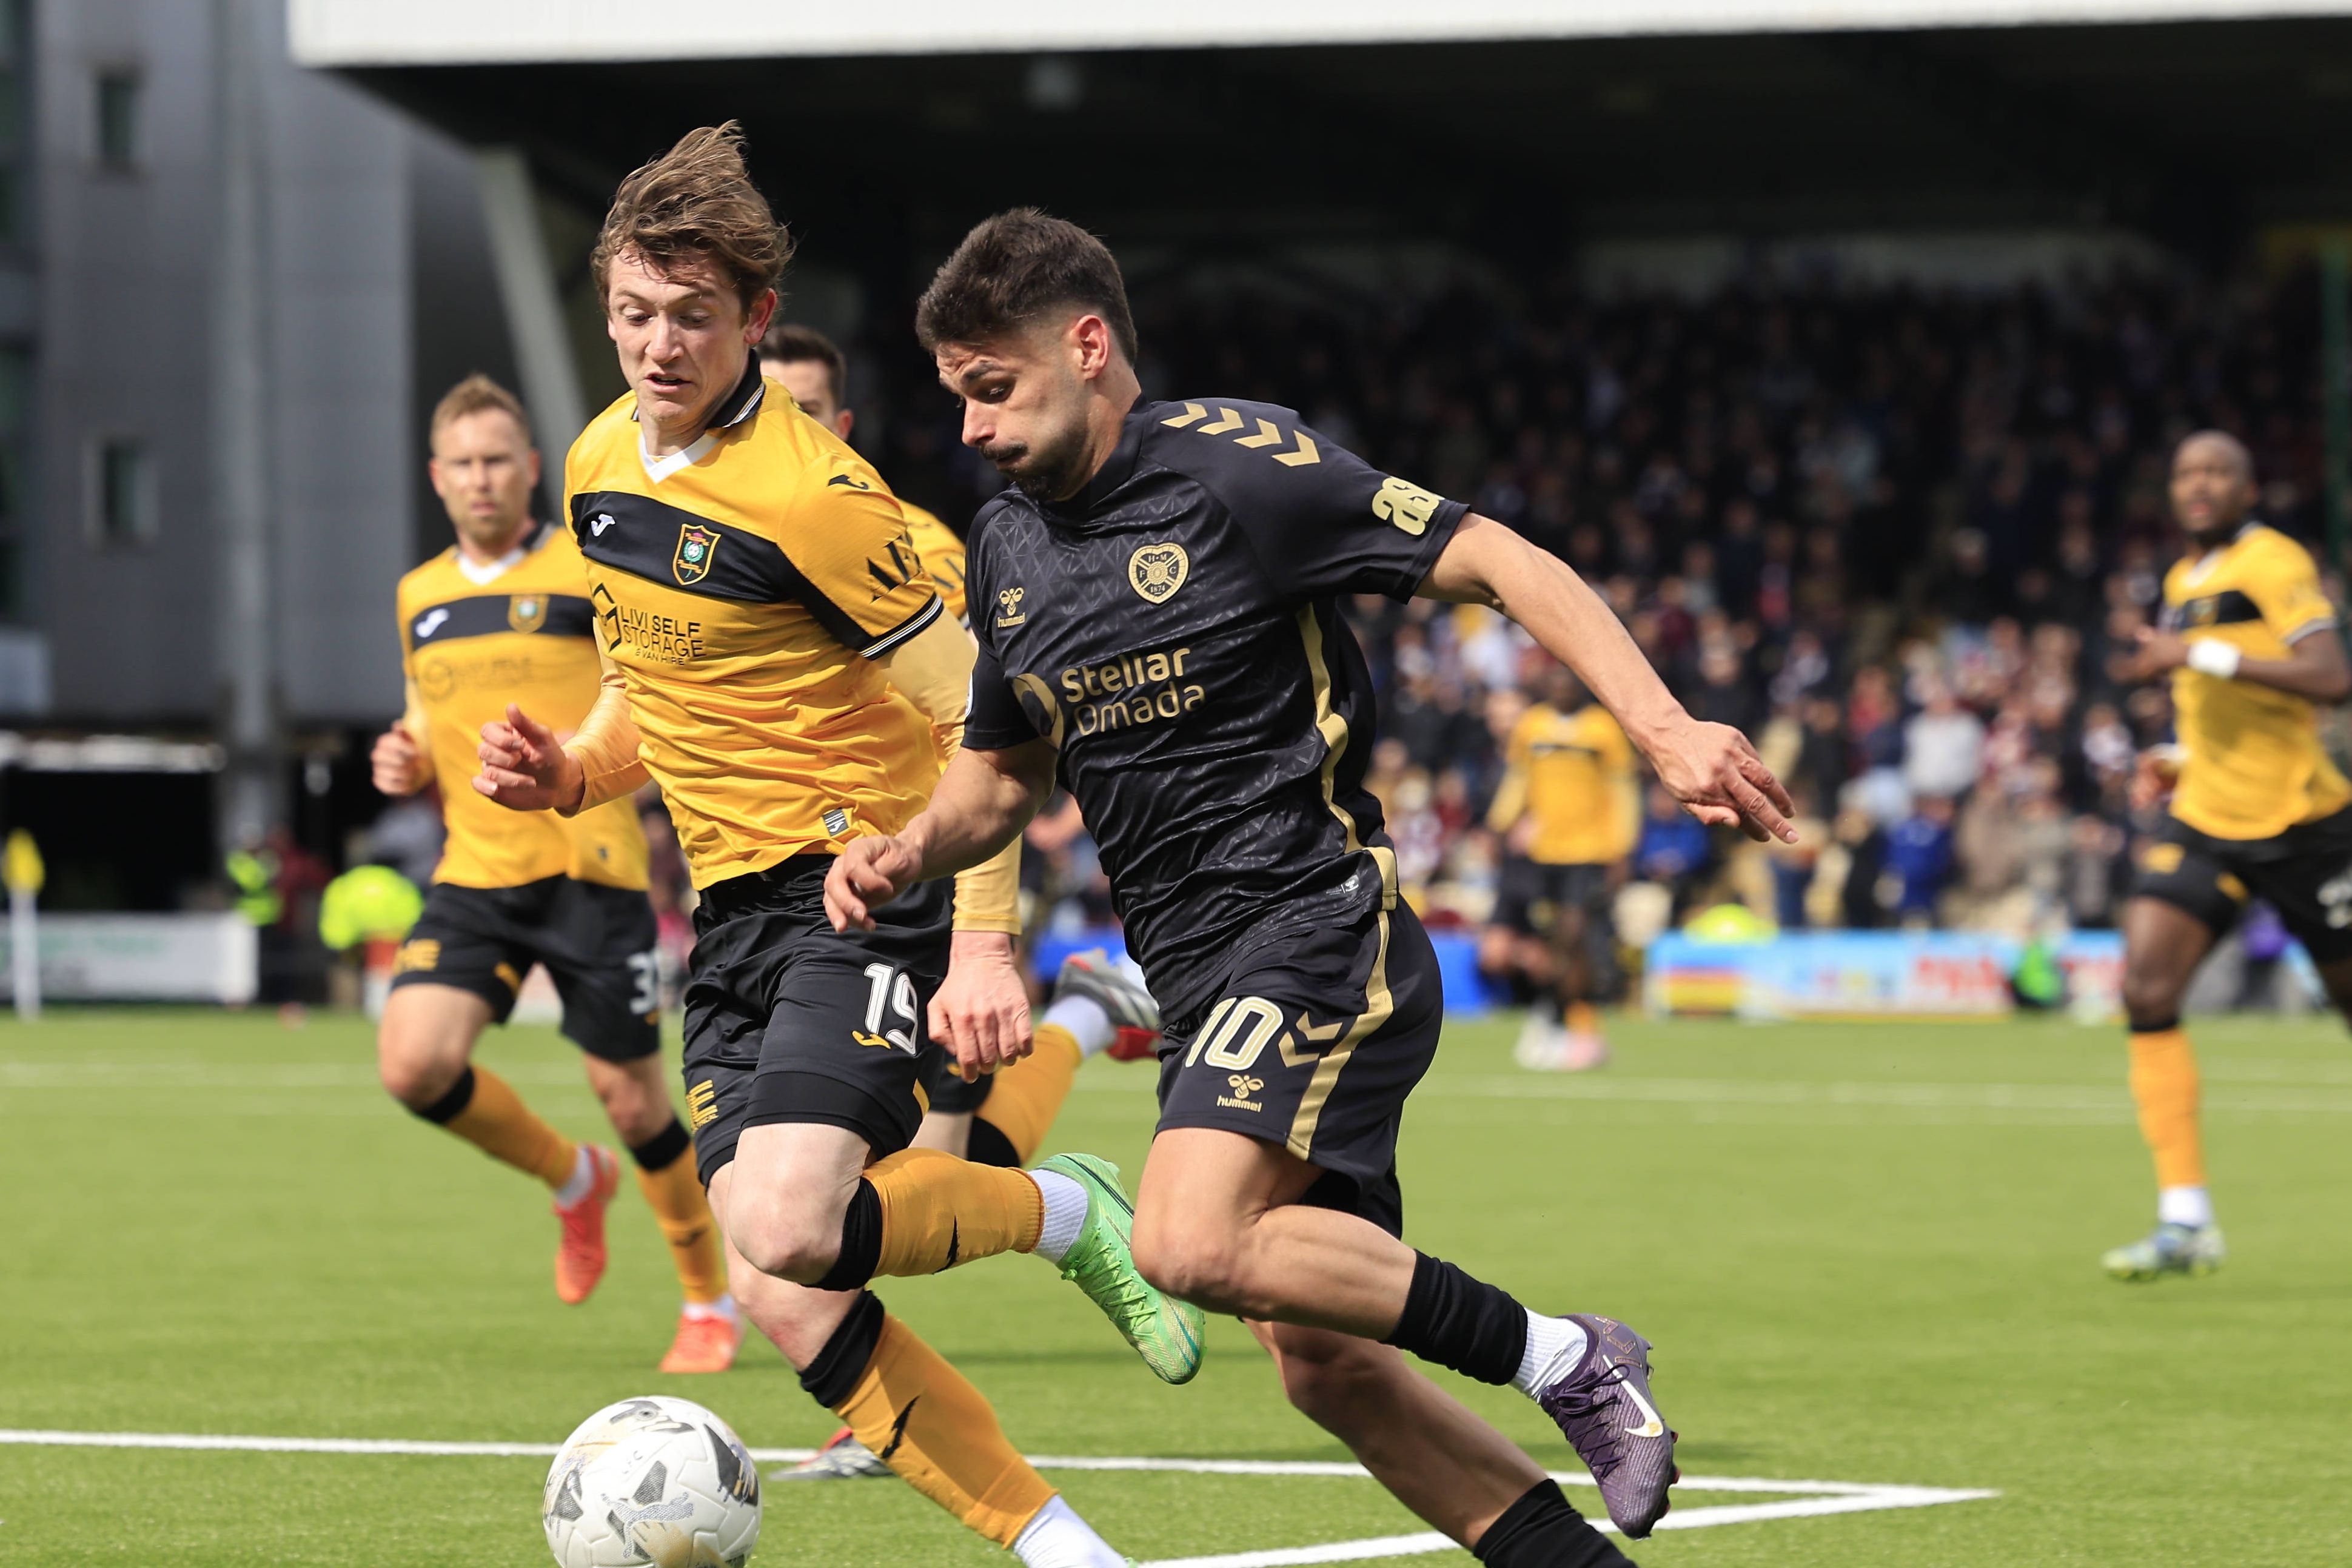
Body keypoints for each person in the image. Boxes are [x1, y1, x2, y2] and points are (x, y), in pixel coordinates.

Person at [829, 209, 1798, 1563]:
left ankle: (1570, 1355)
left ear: (1089, 345)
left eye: (994, 389)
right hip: (1200, 971)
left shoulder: (1239, 470)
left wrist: (1664, 728)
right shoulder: (1004, 550)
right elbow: (1000, 779)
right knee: (1322, 1366)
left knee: (1181, 1241)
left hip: (1314, 925)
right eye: (957, 399)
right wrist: (903, 850)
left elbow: (1498, 559)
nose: (974, 428)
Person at [472, 127, 1195, 1568]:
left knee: (794, 1226)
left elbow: (990, 726)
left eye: (693, 313)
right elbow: (655, 706)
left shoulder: (816, 499)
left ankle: (1059, 1205)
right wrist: (569, 770)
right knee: (786, 1286)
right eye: (632, 311)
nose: (658, 342)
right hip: (728, 911)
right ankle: (1071, 1548)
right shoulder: (602, 460)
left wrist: (981, 933)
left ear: (753, 317)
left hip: (860, 884)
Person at [755, 321, 1161, 1483]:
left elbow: (995, 739)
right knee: (934, 1162)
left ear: (839, 429)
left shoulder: (920, 552)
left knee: (884, 1178)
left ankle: (885, 1408)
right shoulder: (718, 533)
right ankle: (1086, 1021)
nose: (770, 427)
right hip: (792, 898)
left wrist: (988, 930)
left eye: (798, 409)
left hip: (910, 885)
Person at [370, 374, 738, 1375]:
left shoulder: (588, 568)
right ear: (436, 478)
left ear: (530, 468)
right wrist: (401, 753)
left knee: (630, 1097)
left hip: (592, 864)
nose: (481, 479)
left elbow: (646, 698)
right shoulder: (419, 595)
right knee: (411, 1064)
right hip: (476, 873)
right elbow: (423, 717)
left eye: (499, 460)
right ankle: (571, 1179)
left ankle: (708, 1298)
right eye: (463, 464)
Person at [2106, 430, 2352, 1281]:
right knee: (2143, 985)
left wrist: (2192, 651)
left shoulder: (2273, 562)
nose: (2198, 483)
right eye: (2184, 471)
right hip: (2205, 817)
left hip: (2301, 826)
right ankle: (2184, 1219)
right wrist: (2176, 756)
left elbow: (2328, 677)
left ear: (2248, 487)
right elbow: (2220, 708)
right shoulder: (2182, 580)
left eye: (2216, 470)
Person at [1480, 665, 1638, 1070]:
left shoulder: (1601, 729)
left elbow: (1621, 788)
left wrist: (1622, 846)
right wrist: (1499, 825)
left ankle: (1549, 1018)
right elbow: (1519, 779)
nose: (1563, 691)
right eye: (1556, 684)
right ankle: (1579, 1028)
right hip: (1544, 851)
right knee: (1557, 942)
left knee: (1572, 934)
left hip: (1588, 851)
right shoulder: (1532, 726)